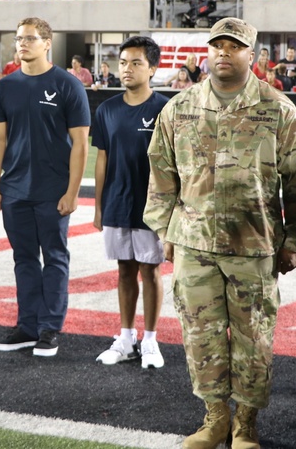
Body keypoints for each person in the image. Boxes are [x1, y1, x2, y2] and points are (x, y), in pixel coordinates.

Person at [145, 17, 296, 449]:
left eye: (234, 46)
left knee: (253, 339)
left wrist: (295, 239)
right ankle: (215, 419)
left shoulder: (277, 109)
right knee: (200, 337)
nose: (224, 52)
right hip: (194, 245)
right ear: (207, 53)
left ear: (252, 54)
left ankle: (245, 424)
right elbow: (161, 175)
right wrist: (166, 231)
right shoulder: (180, 107)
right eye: (217, 45)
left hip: (254, 246)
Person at [0, 17, 90, 358]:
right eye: (18, 38)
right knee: (24, 259)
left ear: (47, 43)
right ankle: (27, 326)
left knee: (56, 258)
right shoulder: (6, 86)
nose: (22, 44)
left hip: (53, 190)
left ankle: (50, 328)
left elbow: (80, 144)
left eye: (30, 38)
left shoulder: (68, 85)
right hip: (14, 189)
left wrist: (72, 191)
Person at [92, 36, 171, 369]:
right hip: (117, 202)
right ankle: (126, 338)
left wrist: (171, 209)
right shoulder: (107, 109)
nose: (127, 68)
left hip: (153, 207)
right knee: (124, 271)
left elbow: (176, 163)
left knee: (151, 272)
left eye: (136, 62)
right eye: (123, 62)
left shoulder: (166, 108)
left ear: (152, 68)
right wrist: (98, 206)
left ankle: (150, 340)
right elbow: (102, 159)